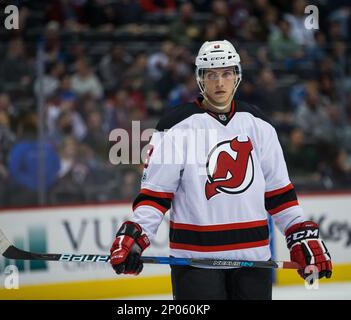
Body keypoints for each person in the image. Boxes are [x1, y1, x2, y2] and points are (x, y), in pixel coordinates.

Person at [109, 40, 332, 300]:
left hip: (253, 262)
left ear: (237, 76)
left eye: (226, 73)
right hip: (195, 264)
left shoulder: (259, 125)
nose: (219, 83)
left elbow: (279, 194)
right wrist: (135, 237)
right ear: (199, 78)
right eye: (211, 75)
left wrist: (299, 233)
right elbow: (155, 197)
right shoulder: (175, 127)